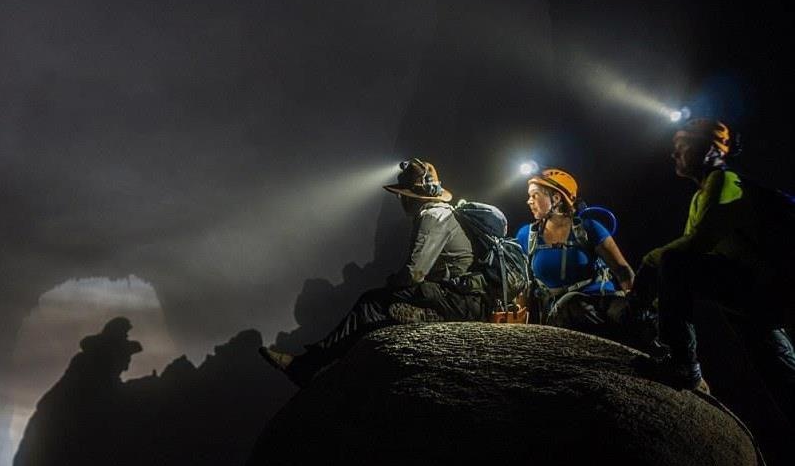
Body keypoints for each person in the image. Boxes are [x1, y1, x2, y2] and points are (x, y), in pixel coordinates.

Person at [259, 158, 488, 386]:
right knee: (379, 304)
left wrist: (392, 286)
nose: (400, 198)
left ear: (411, 195)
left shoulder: (433, 216)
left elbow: (414, 274)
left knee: (370, 304)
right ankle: (314, 365)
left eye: (403, 194)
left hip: (458, 299)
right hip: (455, 294)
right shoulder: (438, 214)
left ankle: (305, 367)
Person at [635, 118, 795, 403]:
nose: (675, 154)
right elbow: (691, 258)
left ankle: (683, 363)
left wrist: (648, 266)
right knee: (783, 381)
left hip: (766, 291)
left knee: (672, 260)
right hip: (757, 304)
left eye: (682, 146)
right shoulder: (703, 194)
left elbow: (695, 245)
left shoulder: (725, 182)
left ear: (710, 150)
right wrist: (657, 300)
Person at [515, 168, 635, 337]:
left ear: (556, 198)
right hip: (561, 313)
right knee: (571, 308)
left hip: (598, 304)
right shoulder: (526, 235)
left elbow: (622, 271)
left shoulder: (589, 228)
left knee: (629, 315)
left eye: (535, 195)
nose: (529, 201)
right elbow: (523, 284)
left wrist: (636, 306)